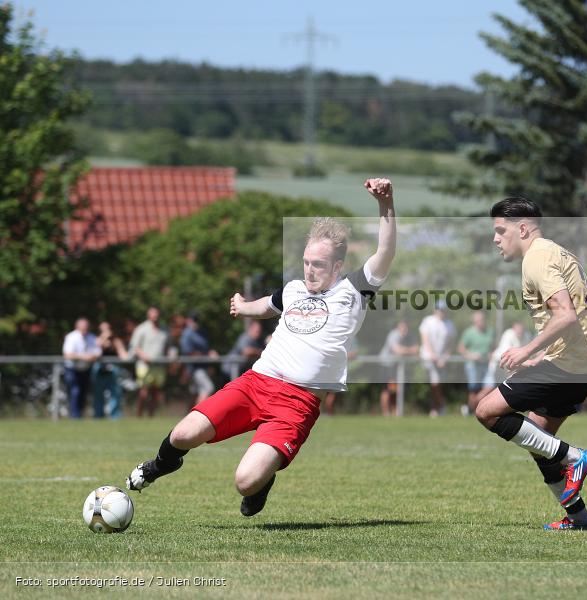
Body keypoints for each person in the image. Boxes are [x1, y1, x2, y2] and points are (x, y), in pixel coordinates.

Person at [125, 178, 396, 518]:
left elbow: (385, 252)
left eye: (319, 265)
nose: (310, 270)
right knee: (183, 433)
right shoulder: (295, 289)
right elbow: (268, 305)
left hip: (297, 403)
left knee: (245, 481)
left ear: (337, 267)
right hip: (255, 384)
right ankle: (160, 465)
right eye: (307, 261)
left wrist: (386, 203)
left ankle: (262, 481)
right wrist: (242, 306)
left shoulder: (353, 291)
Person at [475, 197, 587, 530]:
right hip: (583, 359)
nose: (495, 239)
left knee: (486, 410)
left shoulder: (537, 257)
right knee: (538, 439)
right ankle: (579, 517)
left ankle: (575, 458)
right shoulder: (556, 251)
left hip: (572, 363)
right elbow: (578, 314)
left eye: (500, 230)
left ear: (522, 228)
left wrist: (524, 350)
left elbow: (565, 314)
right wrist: (541, 354)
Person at [129, 307, 169, 417]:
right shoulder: (141, 329)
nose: (155, 316)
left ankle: (151, 416)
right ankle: (139, 415)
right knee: (144, 392)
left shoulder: (164, 330)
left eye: (156, 313)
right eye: (152, 313)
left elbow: (168, 347)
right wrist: (144, 357)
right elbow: (135, 347)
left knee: (155, 392)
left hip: (159, 366)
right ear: (148, 314)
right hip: (144, 365)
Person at [419, 301, 455, 417]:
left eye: (443, 310)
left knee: (436, 384)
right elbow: (425, 339)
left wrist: (444, 358)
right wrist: (433, 355)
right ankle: (440, 405)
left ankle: (435, 408)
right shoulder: (428, 321)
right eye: (439, 310)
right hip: (428, 357)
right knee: (435, 383)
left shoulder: (449, 324)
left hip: (441, 360)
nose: (441, 312)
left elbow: (450, 344)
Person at [62, 317, 101, 419]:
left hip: (86, 369)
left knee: (83, 393)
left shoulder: (92, 337)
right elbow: (67, 355)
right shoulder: (71, 337)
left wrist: (92, 356)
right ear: (77, 327)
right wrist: (83, 356)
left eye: (86, 328)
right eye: (82, 328)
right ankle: (74, 415)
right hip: (72, 369)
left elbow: (98, 352)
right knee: (75, 391)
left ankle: (79, 414)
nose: (84, 330)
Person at [378, 320, 419, 416]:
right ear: (398, 327)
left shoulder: (408, 336)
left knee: (397, 389)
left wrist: (405, 350)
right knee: (388, 389)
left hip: (397, 366)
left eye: (406, 327)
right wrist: (410, 350)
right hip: (387, 365)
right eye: (402, 327)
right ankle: (386, 413)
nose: (405, 329)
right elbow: (397, 350)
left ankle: (395, 411)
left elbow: (417, 349)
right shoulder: (394, 335)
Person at [180, 311, 219, 408]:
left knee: (196, 393)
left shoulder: (201, 332)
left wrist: (210, 353)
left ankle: (190, 416)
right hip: (193, 369)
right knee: (208, 387)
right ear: (188, 320)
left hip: (203, 367)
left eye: (196, 320)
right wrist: (207, 355)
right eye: (193, 320)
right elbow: (188, 352)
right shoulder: (187, 334)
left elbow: (206, 349)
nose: (195, 322)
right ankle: (196, 414)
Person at [458, 311, 494, 414]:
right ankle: (472, 410)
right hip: (472, 365)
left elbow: (493, 347)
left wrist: (492, 353)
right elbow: (461, 348)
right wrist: (471, 355)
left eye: (481, 320)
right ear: (474, 321)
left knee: (490, 386)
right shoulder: (469, 332)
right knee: (473, 389)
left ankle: (469, 408)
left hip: (486, 365)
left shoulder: (490, 331)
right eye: (477, 321)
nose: (480, 322)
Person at [92, 321, 129, 419]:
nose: (107, 331)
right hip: (99, 369)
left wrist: (116, 345)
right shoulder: (96, 340)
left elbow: (124, 356)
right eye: (103, 330)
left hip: (113, 369)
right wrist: (104, 339)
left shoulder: (116, 341)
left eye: (108, 329)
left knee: (115, 393)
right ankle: (98, 415)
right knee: (98, 394)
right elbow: (95, 352)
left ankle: (114, 416)